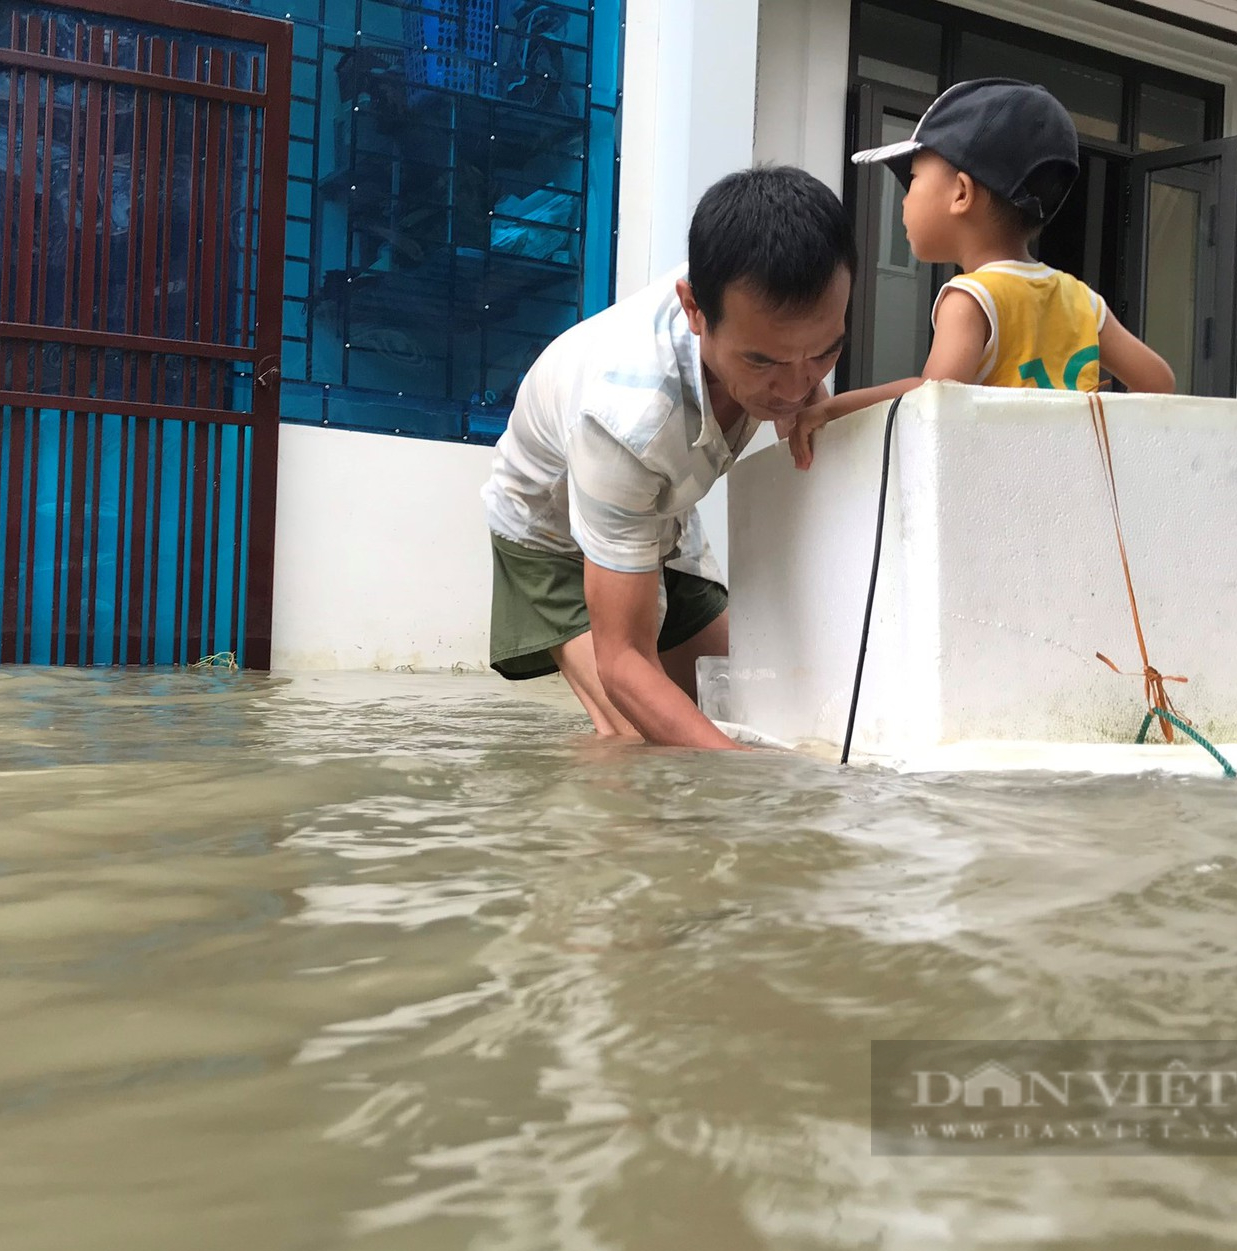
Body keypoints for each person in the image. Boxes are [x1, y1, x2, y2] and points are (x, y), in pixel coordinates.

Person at [482, 166, 856, 749]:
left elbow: (799, 385)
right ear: (694, 310)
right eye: (763, 362)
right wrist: (766, 791)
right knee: (638, 744)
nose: (794, 388)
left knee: (749, 702)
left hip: (661, 517)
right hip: (550, 532)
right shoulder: (626, 423)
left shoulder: (769, 324)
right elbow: (623, 661)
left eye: (824, 352)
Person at [784, 79, 1174, 470]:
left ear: (961, 194)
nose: (904, 198)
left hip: (996, 490)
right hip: (1072, 484)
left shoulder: (970, 298)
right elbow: (1159, 382)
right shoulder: (1081, 301)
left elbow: (932, 395)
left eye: (914, 179)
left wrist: (831, 410)